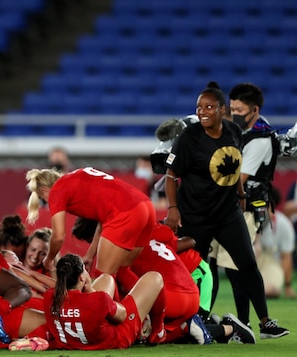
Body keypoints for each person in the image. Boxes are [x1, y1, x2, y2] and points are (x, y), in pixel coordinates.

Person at [163, 81, 289, 339]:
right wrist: (173, 208)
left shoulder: (233, 131)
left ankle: (265, 323)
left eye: (209, 106)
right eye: (199, 107)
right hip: (195, 215)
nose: (202, 111)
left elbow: (233, 166)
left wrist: (241, 195)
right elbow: (170, 175)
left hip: (227, 213)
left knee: (248, 265)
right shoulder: (189, 138)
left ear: (223, 110)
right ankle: (191, 320)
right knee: (194, 270)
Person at [25, 168, 157, 277]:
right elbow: (103, 218)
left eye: (43, 198)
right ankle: (143, 308)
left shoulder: (56, 191)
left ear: (44, 191)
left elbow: (58, 236)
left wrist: (49, 258)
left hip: (125, 212)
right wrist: (89, 255)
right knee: (123, 272)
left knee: (103, 276)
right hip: (145, 206)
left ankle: (116, 309)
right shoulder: (77, 175)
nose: (47, 202)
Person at [44, 253, 164, 350]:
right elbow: (123, 315)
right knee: (155, 277)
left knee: (106, 277)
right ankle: (158, 332)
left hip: (73, 342)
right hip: (115, 340)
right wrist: (92, 291)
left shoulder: (49, 297)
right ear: (82, 278)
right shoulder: (99, 298)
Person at [256, 188, 296, 299]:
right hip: (254, 261)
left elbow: (286, 257)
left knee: (269, 290)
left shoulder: (284, 225)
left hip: (273, 263)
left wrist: (288, 286)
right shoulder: (251, 220)